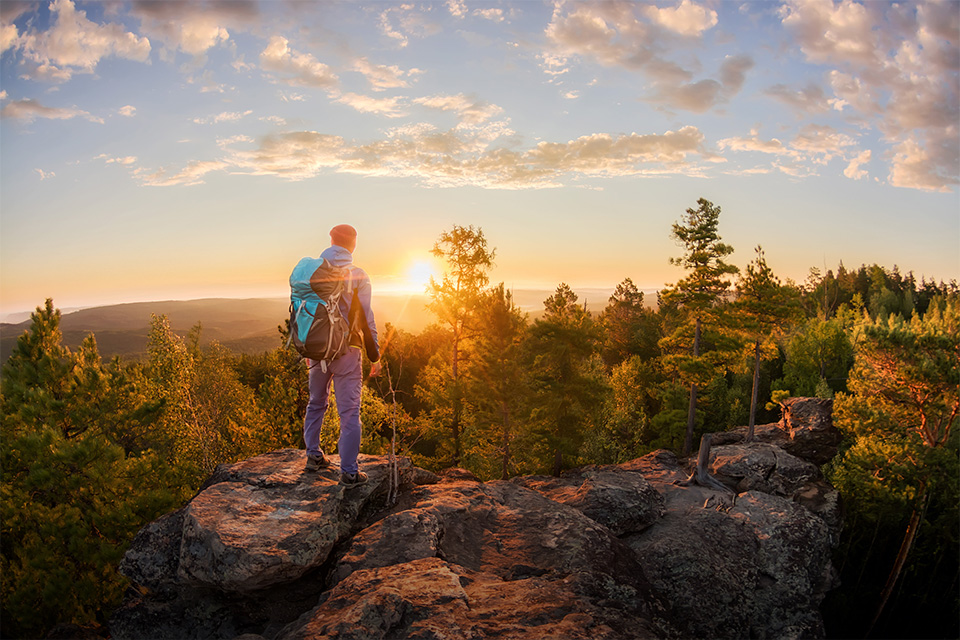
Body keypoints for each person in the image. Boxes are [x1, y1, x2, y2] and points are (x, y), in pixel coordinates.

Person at [303, 224, 381, 486]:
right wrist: (375, 356)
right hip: (347, 351)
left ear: (331, 240)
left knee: (316, 402)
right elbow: (367, 318)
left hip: (317, 350)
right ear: (354, 244)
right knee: (349, 413)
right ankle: (348, 472)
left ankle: (313, 455)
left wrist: (309, 347)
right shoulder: (358, 275)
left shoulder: (314, 272)